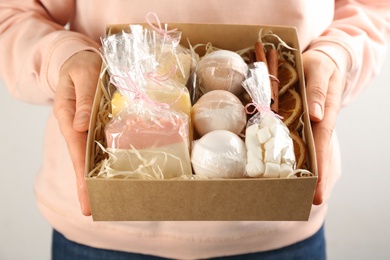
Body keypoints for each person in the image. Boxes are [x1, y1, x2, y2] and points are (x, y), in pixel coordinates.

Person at [1, 1, 389, 259]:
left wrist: (339, 53)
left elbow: (372, 9)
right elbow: (14, 13)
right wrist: (63, 56)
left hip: (279, 226)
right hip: (103, 232)